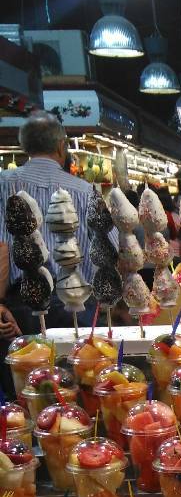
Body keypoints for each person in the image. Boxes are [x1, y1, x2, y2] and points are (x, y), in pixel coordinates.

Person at [0, 111, 105, 343]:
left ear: (24, 146)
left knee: (29, 373)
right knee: (80, 371)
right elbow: (110, 248)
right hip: (79, 303)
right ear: (61, 146)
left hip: (21, 306)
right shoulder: (86, 191)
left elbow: (2, 248)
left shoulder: (3, 185)